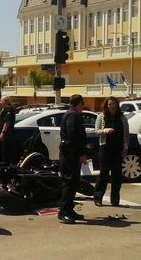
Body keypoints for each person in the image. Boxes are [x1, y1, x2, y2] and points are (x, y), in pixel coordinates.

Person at [93, 96, 129, 207]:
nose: (112, 106)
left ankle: (115, 200)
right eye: (109, 104)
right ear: (106, 106)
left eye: (113, 104)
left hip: (117, 149)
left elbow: (126, 134)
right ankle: (98, 198)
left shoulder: (122, 118)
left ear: (117, 105)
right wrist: (105, 131)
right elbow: (96, 131)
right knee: (103, 174)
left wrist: (125, 148)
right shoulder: (101, 117)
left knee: (117, 175)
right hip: (105, 148)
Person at [58, 94, 87, 224]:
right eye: (82, 103)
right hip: (70, 154)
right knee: (69, 183)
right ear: (77, 104)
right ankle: (63, 211)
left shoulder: (72, 114)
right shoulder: (72, 115)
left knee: (73, 182)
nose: (83, 106)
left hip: (71, 153)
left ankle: (69, 209)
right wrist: (81, 153)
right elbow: (73, 136)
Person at [0, 96, 16, 164]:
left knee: (6, 151)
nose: (0, 102)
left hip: (7, 134)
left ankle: (6, 165)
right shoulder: (4, 109)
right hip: (5, 132)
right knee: (3, 151)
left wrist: (3, 132)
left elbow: (7, 122)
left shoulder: (9, 110)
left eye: (1, 100)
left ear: (5, 101)